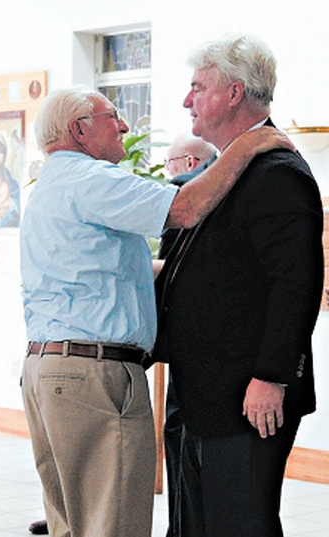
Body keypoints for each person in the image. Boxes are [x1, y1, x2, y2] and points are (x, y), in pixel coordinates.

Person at [20, 86, 293, 537]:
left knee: (76, 526)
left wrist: (214, 269)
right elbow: (185, 207)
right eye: (113, 116)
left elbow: (113, 269)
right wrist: (251, 142)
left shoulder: (53, 184)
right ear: (79, 130)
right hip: (93, 377)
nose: (125, 127)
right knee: (115, 526)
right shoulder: (92, 180)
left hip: (49, 372)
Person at [153, 34, 324, 537]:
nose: (186, 101)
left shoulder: (277, 172)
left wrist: (272, 376)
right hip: (201, 390)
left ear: (232, 93)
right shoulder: (223, 171)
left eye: (196, 87)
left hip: (248, 397)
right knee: (194, 527)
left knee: (239, 526)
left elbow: (296, 283)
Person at [158, 133, 216, 537]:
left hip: (195, 354)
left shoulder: (188, 196)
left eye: (170, 163)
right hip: (200, 353)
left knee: (183, 448)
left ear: (189, 161)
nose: (167, 174)